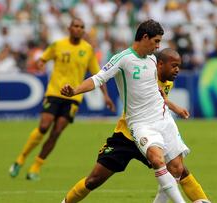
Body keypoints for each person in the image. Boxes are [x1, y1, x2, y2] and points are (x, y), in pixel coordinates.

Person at [61, 19, 190, 203]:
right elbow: (97, 79)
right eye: (156, 41)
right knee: (94, 179)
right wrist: (74, 90)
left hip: (159, 122)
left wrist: (173, 106)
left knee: (175, 167)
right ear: (145, 37)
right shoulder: (123, 59)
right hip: (132, 129)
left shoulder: (153, 60)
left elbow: (156, 91)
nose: (158, 46)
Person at [9, 18, 115, 181]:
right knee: (44, 126)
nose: (79, 29)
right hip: (54, 92)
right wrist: (40, 64)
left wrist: (106, 96)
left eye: (82, 27)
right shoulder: (58, 45)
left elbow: (97, 75)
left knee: (56, 132)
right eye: (76, 26)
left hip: (73, 97)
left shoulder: (88, 50)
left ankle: (35, 168)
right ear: (69, 28)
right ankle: (20, 159)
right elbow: (42, 59)